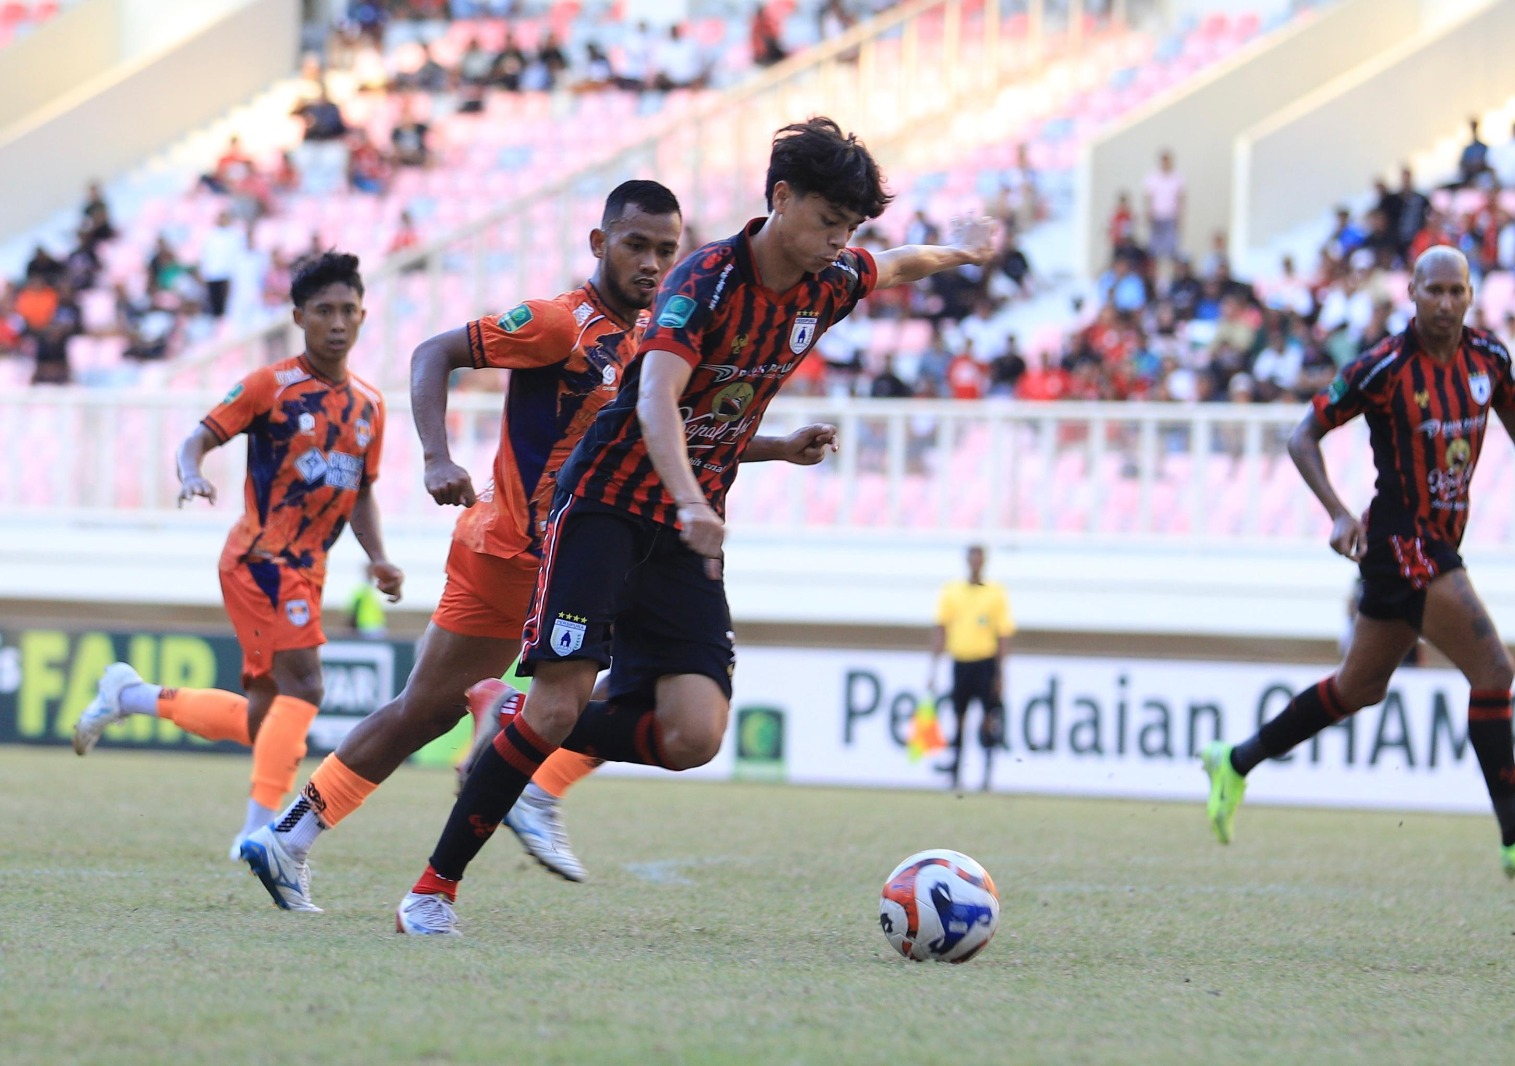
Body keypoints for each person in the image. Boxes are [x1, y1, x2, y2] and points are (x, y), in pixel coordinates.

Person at [396, 116, 997, 935]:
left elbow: (895, 265)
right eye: (827, 221)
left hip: (683, 532)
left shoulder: (828, 282)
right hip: (607, 507)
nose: (836, 242)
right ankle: (432, 892)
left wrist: (959, 250)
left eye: (848, 228)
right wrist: (689, 501)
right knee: (559, 711)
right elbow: (651, 402)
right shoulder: (703, 281)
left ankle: (510, 713)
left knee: (694, 735)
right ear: (781, 199)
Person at [236, 182, 835, 911]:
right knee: (561, 700)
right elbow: (435, 352)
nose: (650, 263)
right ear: (598, 244)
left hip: (587, 546)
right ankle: (524, 774)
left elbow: (666, 438)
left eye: (664, 250)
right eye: (635, 245)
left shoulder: (665, 330)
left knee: (428, 711)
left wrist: (777, 447)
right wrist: (435, 456)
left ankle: (289, 836)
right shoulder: (558, 324)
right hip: (528, 552)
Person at [1200, 246, 1515, 878]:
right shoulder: (1382, 367)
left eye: (1456, 292)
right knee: (1494, 668)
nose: (1444, 303)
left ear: (1470, 295)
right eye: (1432, 290)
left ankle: (1235, 760)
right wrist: (1337, 511)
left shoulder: (1489, 358)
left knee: (1359, 688)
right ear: (1411, 291)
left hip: (1440, 540)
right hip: (1399, 542)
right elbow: (1303, 436)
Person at [71, 252, 404, 861]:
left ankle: (129, 696)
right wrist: (190, 475)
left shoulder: (371, 406)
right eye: (324, 310)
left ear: (363, 317)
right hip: (261, 560)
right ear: (299, 315)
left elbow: (361, 494)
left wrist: (379, 557)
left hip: (310, 569)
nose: (337, 322)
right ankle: (260, 830)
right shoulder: (269, 386)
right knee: (307, 685)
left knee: (265, 720)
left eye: (348, 311)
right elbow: (197, 435)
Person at [927, 545, 1014, 792]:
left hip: (986, 663)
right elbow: (941, 629)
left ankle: (986, 776)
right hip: (961, 662)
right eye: (972, 558)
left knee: (988, 720)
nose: (976, 563)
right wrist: (933, 668)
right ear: (967, 561)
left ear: (984, 561)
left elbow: (1003, 634)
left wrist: (1000, 672)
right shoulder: (952, 592)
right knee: (959, 719)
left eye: (980, 558)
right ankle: (955, 773)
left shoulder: (996, 593)